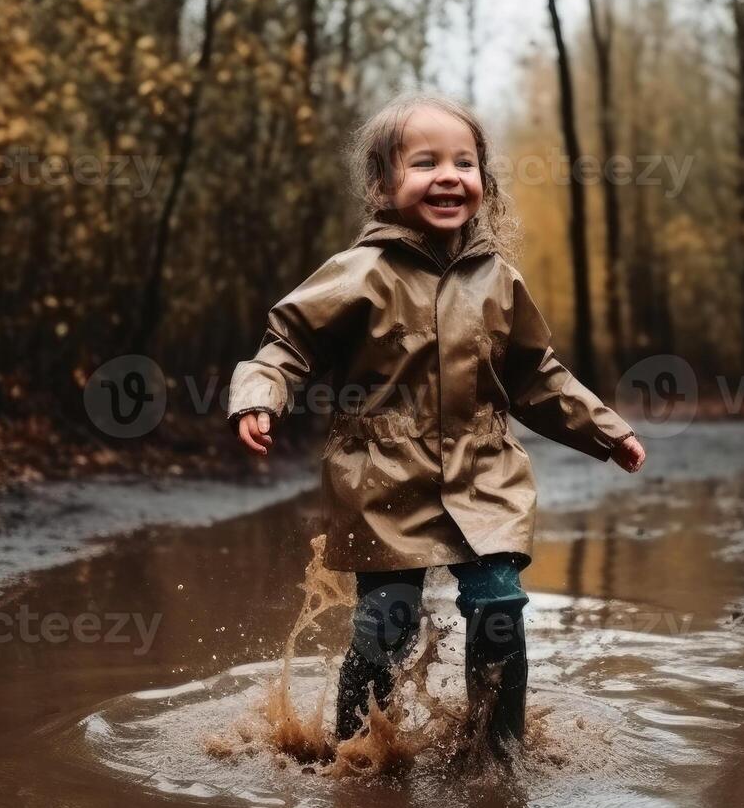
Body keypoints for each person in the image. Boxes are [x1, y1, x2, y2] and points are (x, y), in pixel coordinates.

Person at [226, 92, 646, 759]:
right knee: (385, 624)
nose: (450, 176)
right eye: (425, 163)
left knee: (500, 609)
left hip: (485, 478)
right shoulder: (356, 275)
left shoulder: (499, 282)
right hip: (384, 483)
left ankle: (498, 753)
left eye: (465, 162)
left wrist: (605, 430)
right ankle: (359, 753)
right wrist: (259, 395)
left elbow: (537, 376)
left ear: (484, 181)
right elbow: (285, 344)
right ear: (382, 185)